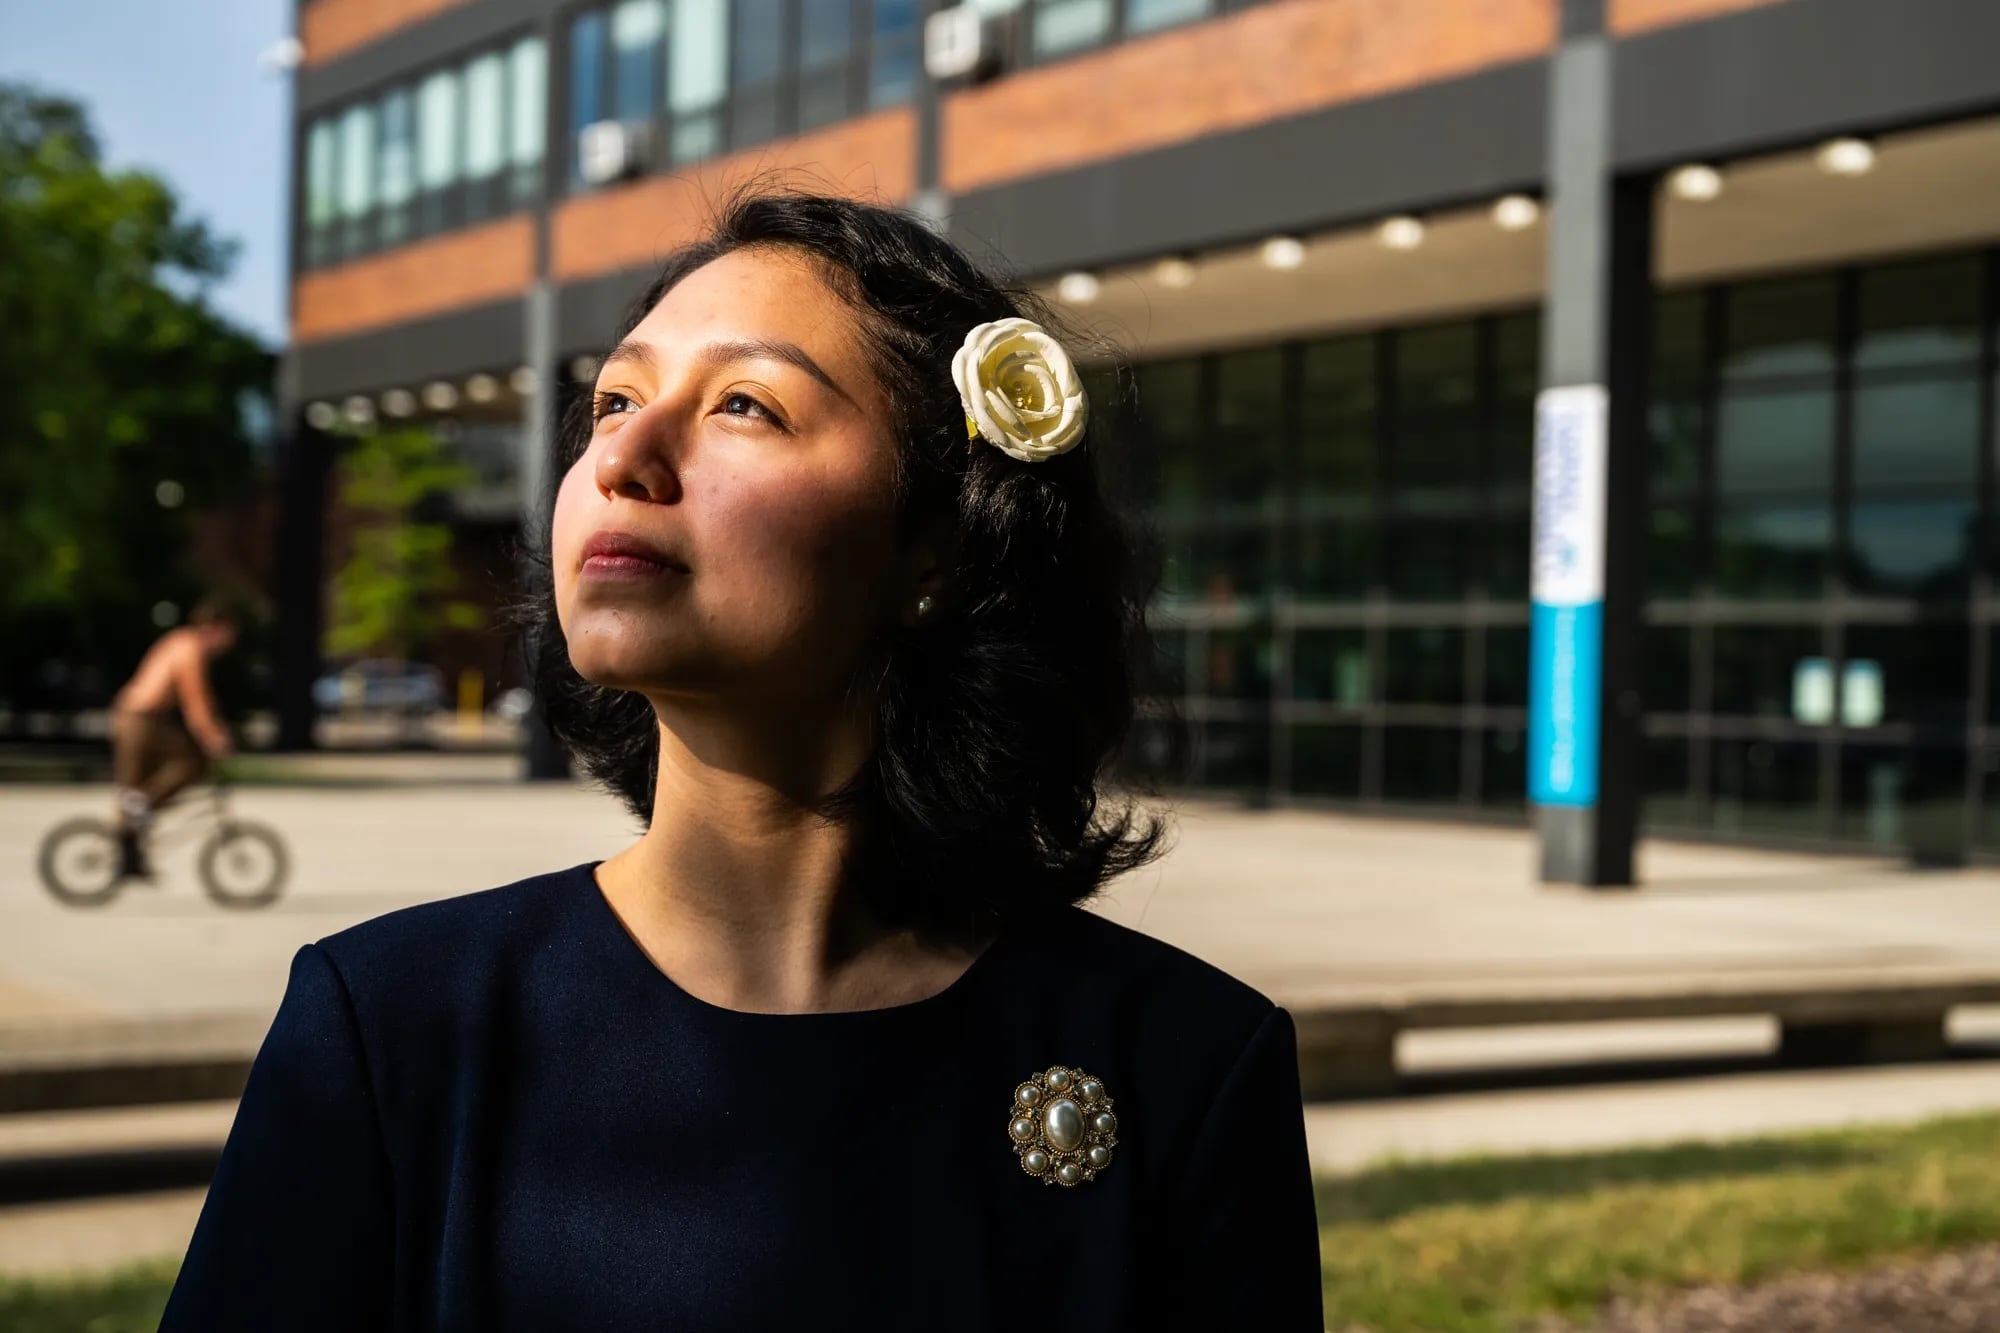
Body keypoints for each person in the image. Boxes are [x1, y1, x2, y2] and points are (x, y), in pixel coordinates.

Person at [160, 192, 1323, 1330]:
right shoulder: (391, 1022)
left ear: (940, 544)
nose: (626, 454)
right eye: (613, 399)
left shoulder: (1185, 1063)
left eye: (745, 407)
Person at [109, 596, 237, 880]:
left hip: (143, 719)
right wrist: (213, 737)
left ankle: (130, 857)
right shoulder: (190, 648)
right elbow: (196, 701)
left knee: (137, 789)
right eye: (228, 634)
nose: (228, 643)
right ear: (215, 628)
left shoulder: (180, 641)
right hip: (140, 720)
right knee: (188, 764)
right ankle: (139, 815)